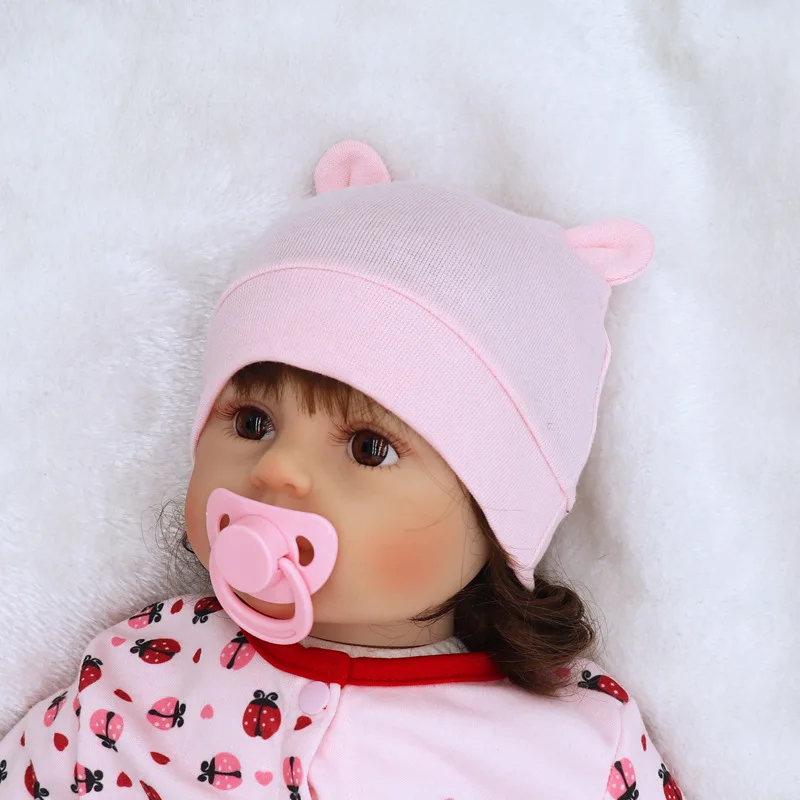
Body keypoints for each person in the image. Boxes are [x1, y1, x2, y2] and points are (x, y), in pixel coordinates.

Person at [0, 141, 683, 799]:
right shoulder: (145, 668)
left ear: (500, 518)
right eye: (252, 423)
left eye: (368, 448)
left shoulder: (578, 745)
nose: (278, 469)